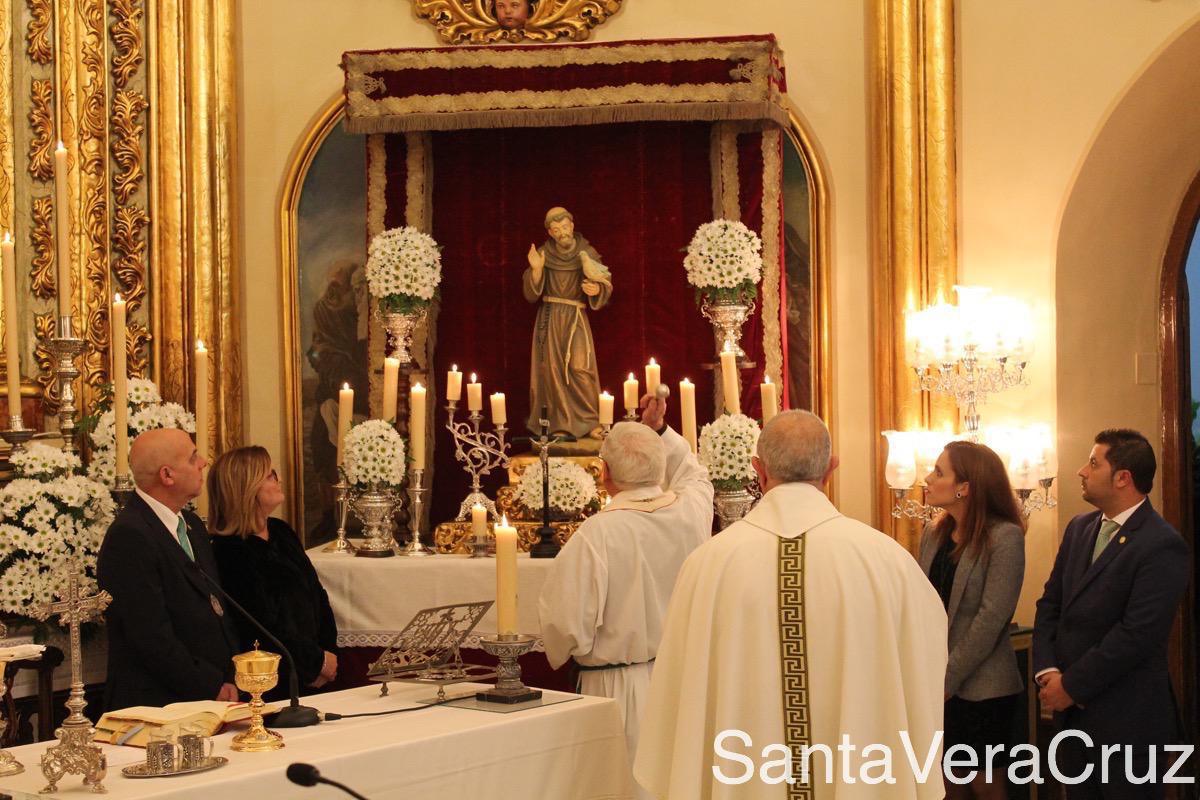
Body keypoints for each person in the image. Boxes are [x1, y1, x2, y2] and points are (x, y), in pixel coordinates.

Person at [635, 410, 947, 799]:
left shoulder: (707, 566)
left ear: (758, 470)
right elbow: (928, 660)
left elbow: (678, 695)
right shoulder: (887, 561)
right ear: (831, 469)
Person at [538, 393, 714, 781]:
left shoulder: (597, 534)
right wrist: (660, 432)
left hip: (616, 686)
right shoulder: (691, 513)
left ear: (604, 473)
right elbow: (694, 473)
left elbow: (566, 625)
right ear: (659, 467)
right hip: (680, 680)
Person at [1033, 429, 1189, 799]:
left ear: (1123, 478)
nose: (1080, 472)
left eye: (1092, 463)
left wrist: (1071, 687)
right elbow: (1050, 605)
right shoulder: (1079, 528)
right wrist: (1048, 671)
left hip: (1127, 721)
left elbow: (1137, 635)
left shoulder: (1162, 544)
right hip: (1072, 720)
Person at [97, 428, 240, 710]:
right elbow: (150, 636)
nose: (203, 463)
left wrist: (232, 673)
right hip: (158, 704)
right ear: (167, 475)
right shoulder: (130, 536)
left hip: (212, 695)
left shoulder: (191, 525)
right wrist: (210, 684)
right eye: (192, 458)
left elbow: (214, 607)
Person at [918, 441, 1026, 800]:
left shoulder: (1005, 536)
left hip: (983, 687)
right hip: (938, 684)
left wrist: (948, 677)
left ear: (964, 486)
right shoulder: (932, 534)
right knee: (948, 787)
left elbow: (992, 617)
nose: (928, 479)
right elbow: (922, 604)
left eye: (938, 472)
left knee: (986, 787)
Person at [208, 447, 339, 699]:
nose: (277, 480)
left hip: (316, 669)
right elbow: (259, 625)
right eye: (269, 476)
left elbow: (317, 595)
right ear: (246, 488)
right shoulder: (229, 551)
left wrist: (327, 653)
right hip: (271, 682)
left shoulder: (281, 531)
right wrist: (314, 662)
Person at [524, 206, 613, 439]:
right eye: (556, 230)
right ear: (551, 233)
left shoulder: (586, 251)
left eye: (565, 227)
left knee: (580, 368)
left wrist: (596, 288)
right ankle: (558, 425)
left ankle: (590, 420)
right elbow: (531, 293)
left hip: (575, 316)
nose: (562, 233)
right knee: (551, 371)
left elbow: (604, 279)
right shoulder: (544, 253)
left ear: (572, 226)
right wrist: (536, 271)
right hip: (550, 316)